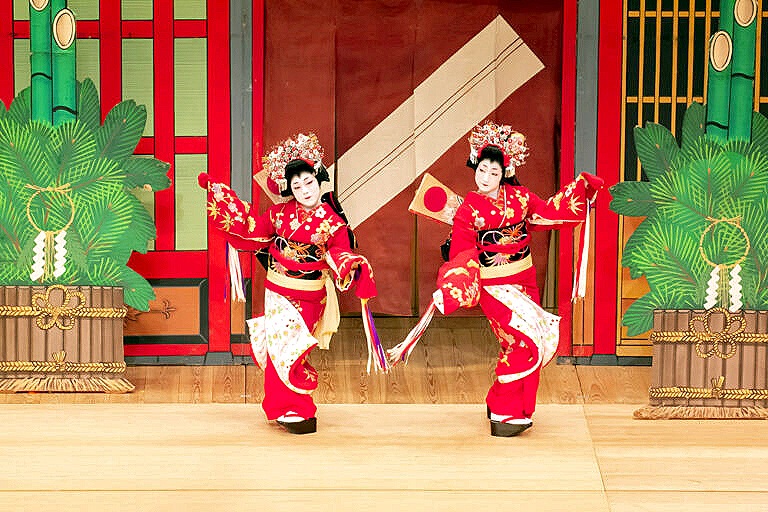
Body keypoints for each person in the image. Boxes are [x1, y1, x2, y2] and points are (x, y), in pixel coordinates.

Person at [390, 121, 603, 437]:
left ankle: (510, 405)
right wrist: (452, 285)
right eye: (482, 170)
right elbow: (462, 253)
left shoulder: (521, 198)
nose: (486, 177)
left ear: (505, 172)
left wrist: (581, 191)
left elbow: (550, 213)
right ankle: (505, 411)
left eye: (493, 171)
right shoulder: (469, 210)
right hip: (494, 286)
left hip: (525, 281)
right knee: (521, 342)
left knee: (532, 340)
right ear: (474, 168)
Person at [199, 133, 386, 435]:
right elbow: (253, 230)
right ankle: (284, 408)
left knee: (293, 350)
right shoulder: (279, 214)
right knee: (278, 350)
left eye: (308, 182)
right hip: (276, 290)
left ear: (319, 179)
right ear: (290, 189)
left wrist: (352, 264)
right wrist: (222, 198)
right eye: (297, 186)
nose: (304, 190)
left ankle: (297, 408)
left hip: (309, 295)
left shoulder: (333, 223)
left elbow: (339, 252)